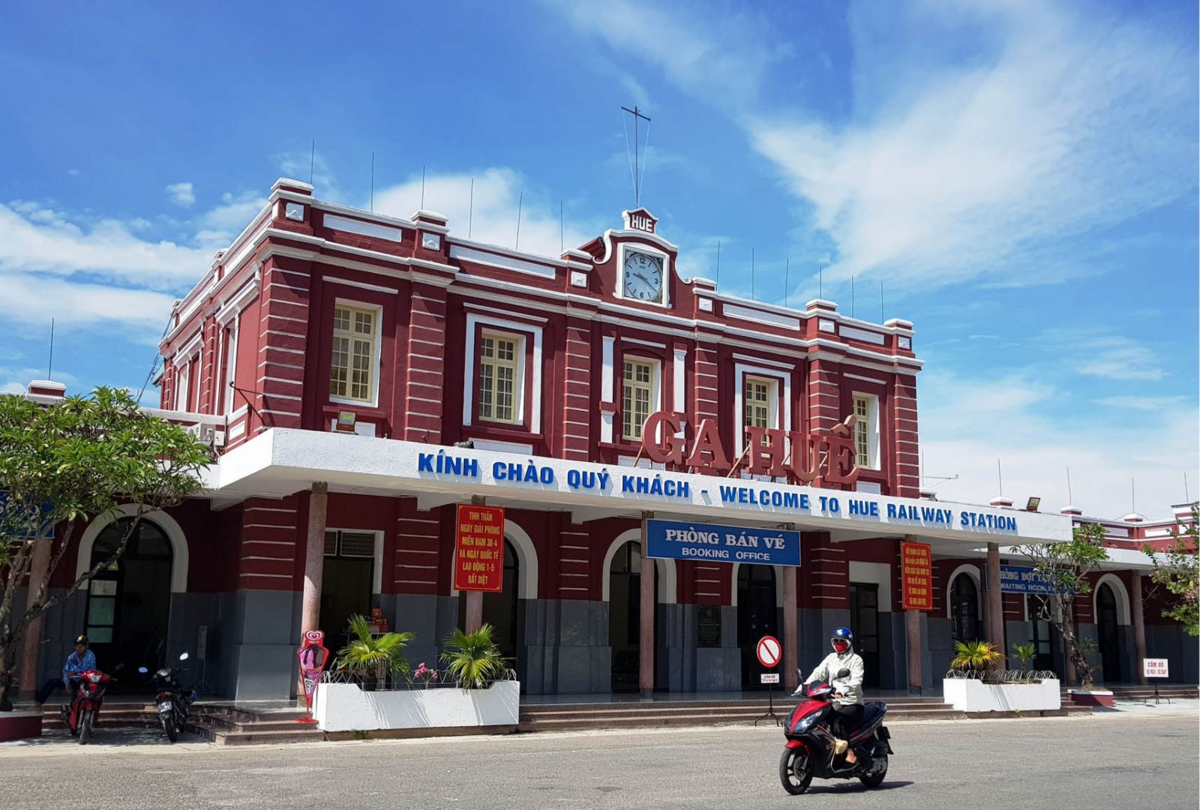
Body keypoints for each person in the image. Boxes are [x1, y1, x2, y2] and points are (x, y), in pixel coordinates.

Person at [798, 627, 865, 764]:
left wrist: (843, 690)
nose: (839, 644)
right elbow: (818, 673)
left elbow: (856, 680)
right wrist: (804, 686)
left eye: (842, 641)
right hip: (833, 700)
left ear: (849, 643)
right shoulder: (831, 658)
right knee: (818, 718)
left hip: (852, 701)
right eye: (836, 641)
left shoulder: (856, 659)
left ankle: (849, 752)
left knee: (837, 720)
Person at [35, 635, 96, 705]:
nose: (79, 648)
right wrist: (67, 683)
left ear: (86, 646)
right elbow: (66, 671)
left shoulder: (90, 655)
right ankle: (39, 701)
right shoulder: (72, 656)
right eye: (77, 646)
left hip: (85, 681)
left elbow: (88, 669)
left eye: (81, 646)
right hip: (74, 680)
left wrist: (75, 672)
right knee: (52, 682)